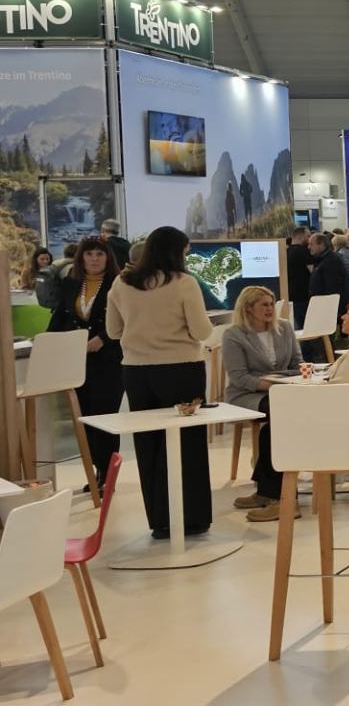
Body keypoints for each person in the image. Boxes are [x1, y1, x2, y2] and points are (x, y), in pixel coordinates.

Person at [106, 225, 215, 538]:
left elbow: (113, 331)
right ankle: (190, 518)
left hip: (136, 372)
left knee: (148, 444)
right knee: (186, 443)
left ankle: (159, 520)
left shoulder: (122, 282)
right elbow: (201, 331)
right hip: (181, 368)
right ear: (176, 252)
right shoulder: (183, 282)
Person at [225, 285, 302, 521]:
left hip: (283, 391)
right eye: (264, 305)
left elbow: (297, 362)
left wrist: (287, 381)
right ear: (248, 308)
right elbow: (239, 377)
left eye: (271, 304)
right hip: (248, 394)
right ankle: (283, 498)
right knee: (280, 416)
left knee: (275, 426)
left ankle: (271, 493)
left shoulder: (284, 328)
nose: (270, 309)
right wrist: (273, 386)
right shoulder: (234, 335)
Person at [49, 235, 123, 481]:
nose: (94, 259)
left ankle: (107, 473)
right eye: (89, 254)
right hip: (78, 362)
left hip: (109, 360)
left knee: (105, 417)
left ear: (108, 258)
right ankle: (95, 471)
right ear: (81, 258)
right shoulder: (71, 284)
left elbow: (127, 319)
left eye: (99, 254)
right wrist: (47, 341)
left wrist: (103, 339)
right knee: (85, 418)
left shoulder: (118, 284)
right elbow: (60, 317)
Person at [307, 229, 349, 331]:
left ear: (321, 244)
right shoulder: (322, 260)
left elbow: (334, 288)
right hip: (324, 308)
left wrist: (332, 311)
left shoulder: (331, 261)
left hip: (331, 311)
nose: (309, 247)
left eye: (311, 244)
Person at [286, 226, 313, 320]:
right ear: (300, 237)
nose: (310, 239)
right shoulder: (304, 251)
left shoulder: (285, 252)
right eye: (308, 236)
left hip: (290, 294)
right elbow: (312, 271)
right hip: (303, 295)